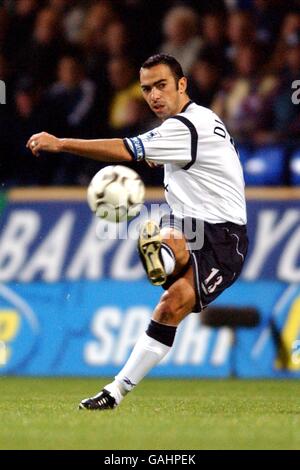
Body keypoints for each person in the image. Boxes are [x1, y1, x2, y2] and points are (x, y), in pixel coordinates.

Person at [27, 53, 248, 411]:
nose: (154, 95)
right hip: (189, 224)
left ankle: (161, 256)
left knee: (169, 305)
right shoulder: (200, 119)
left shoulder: (185, 128)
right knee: (165, 253)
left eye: (162, 85)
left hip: (224, 239)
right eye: (146, 89)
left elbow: (124, 149)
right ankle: (115, 392)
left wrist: (61, 143)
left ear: (182, 85)